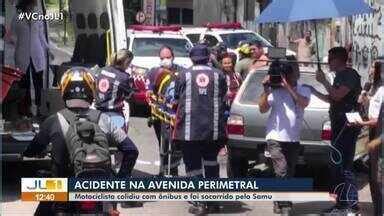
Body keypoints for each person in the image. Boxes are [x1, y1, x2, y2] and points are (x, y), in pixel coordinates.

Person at [23, 67, 139, 214]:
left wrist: (32, 152)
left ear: (64, 90)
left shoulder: (53, 121)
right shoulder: (105, 120)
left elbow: (32, 150)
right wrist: (121, 179)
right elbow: (131, 150)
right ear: (91, 90)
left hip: (61, 188)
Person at [173, 44, 227, 214]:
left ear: (191, 58)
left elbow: (176, 98)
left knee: (193, 165)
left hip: (190, 130)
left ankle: (200, 202)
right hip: (214, 130)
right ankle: (213, 201)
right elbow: (224, 96)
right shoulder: (219, 75)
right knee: (211, 162)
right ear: (208, 57)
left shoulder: (183, 75)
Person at [307, 47, 362, 214]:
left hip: (347, 126)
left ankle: (350, 204)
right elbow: (332, 99)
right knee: (336, 165)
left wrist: (323, 81)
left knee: (344, 165)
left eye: (330, 59)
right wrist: (313, 91)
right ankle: (340, 203)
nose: (328, 62)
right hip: (338, 124)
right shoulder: (338, 76)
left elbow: (338, 95)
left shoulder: (350, 75)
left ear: (338, 60)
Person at [258, 59, 310, 214]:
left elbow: (303, 103)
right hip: (274, 136)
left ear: (297, 75)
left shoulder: (303, 89)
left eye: (290, 73)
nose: (286, 77)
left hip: (293, 138)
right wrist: (266, 89)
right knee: (282, 170)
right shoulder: (274, 90)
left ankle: (278, 199)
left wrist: (288, 87)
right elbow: (262, 108)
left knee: (289, 171)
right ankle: (285, 204)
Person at [9, 0, 54, 117]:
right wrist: (15, 42)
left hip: (36, 53)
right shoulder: (17, 17)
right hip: (22, 54)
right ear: (26, 4)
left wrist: (48, 49)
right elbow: (12, 34)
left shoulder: (36, 16)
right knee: (24, 83)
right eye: (32, 4)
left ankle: (40, 107)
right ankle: (26, 108)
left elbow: (41, 35)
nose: (34, 6)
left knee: (38, 82)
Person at [146, 46, 184, 176]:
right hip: (160, 115)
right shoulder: (153, 72)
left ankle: (173, 170)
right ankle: (163, 171)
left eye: (168, 57)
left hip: (177, 115)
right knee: (163, 143)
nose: (165, 60)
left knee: (175, 144)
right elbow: (149, 91)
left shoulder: (182, 71)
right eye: (162, 58)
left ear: (173, 57)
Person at [354, 59, 383, 216]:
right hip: (372, 134)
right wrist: (364, 100)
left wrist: (362, 122)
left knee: (378, 178)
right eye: (371, 67)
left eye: (374, 67)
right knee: (373, 177)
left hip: (379, 136)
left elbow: (379, 119)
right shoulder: (373, 88)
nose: (371, 70)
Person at [94, 49, 134, 132]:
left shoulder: (101, 70)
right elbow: (131, 95)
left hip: (97, 113)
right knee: (125, 144)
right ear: (126, 63)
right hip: (115, 114)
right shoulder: (124, 77)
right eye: (129, 63)